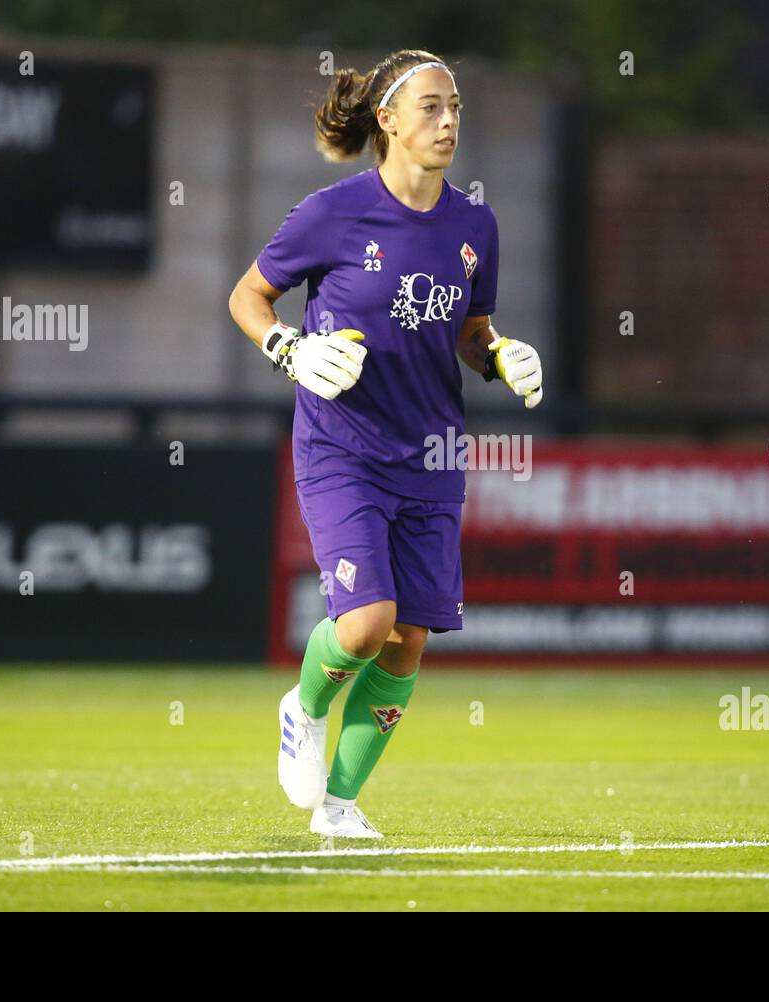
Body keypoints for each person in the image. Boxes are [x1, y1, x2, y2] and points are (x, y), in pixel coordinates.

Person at [228, 49, 543, 838]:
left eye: (457, 107)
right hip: (344, 446)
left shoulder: (476, 224)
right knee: (367, 622)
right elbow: (248, 295)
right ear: (389, 120)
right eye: (432, 108)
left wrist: (500, 356)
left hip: (432, 456)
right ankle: (302, 709)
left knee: (406, 644)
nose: (448, 122)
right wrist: (289, 350)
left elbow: (472, 333)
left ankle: (338, 806)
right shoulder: (332, 213)